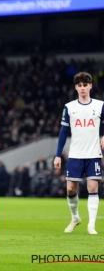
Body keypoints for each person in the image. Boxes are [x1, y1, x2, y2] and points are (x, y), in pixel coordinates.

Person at [54, 72, 103, 235]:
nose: (82, 88)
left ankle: (91, 225)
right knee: (70, 189)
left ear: (90, 86)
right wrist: (58, 154)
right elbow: (63, 132)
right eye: (79, 85)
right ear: (76, 87)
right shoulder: (69, 107)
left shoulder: (100, 105)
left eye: (85, 85)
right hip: (75, 154)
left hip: (94, 154)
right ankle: (75, 218)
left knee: (93, 186)